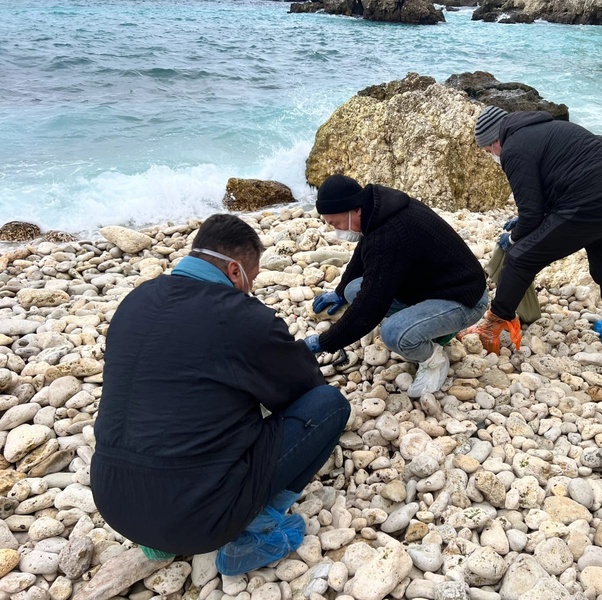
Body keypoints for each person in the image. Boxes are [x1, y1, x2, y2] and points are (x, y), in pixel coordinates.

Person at [91, 214, 350, 575]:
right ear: (234, 271)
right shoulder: (242, 317)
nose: (251, 290)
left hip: (113, 500)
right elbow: (306, 391)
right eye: (252, 279)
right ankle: (253, 532)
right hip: (198, 519)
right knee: (330, 406)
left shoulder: (136, 300)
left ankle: (156, 541)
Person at [464, 105, 602, 353]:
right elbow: (551, 189)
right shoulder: (551, 127)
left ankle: (492, 326)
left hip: (590, 204)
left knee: (520, 258)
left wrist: (513, 239)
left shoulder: (513, 149)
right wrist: (523, 227)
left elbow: (531, 213)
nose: (492, 156)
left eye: (488, 150)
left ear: (495, 141)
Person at [304, 174, 488, 397]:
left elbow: (370, 308)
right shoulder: (378, 208)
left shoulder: (389, 236)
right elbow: (363, 253)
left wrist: (326, 342)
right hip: (432, 286)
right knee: (354, 290)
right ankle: (427, 326)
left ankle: (434, 360)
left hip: (465, 299)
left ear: (354, 209)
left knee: (393, 333)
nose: (335, 230)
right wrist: (340, 292)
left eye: (336, 223)